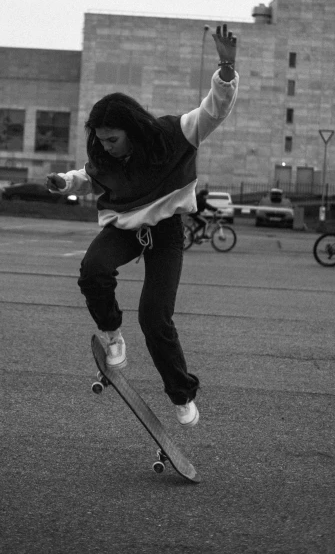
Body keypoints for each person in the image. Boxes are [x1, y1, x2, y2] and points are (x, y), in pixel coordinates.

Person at [46, 24, 238, 428]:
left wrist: (225, 69)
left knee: (155, 318)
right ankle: (114, 337)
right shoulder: (105, 154)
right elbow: (87, 172)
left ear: (131, 130)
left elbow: (213, 111)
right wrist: (66, 181)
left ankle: (181, 393)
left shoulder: (174, 134)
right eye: (102, 140)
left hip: (166, 232)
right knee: (93, 269)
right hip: (124, 230)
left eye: (114, 139)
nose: (107, 146)